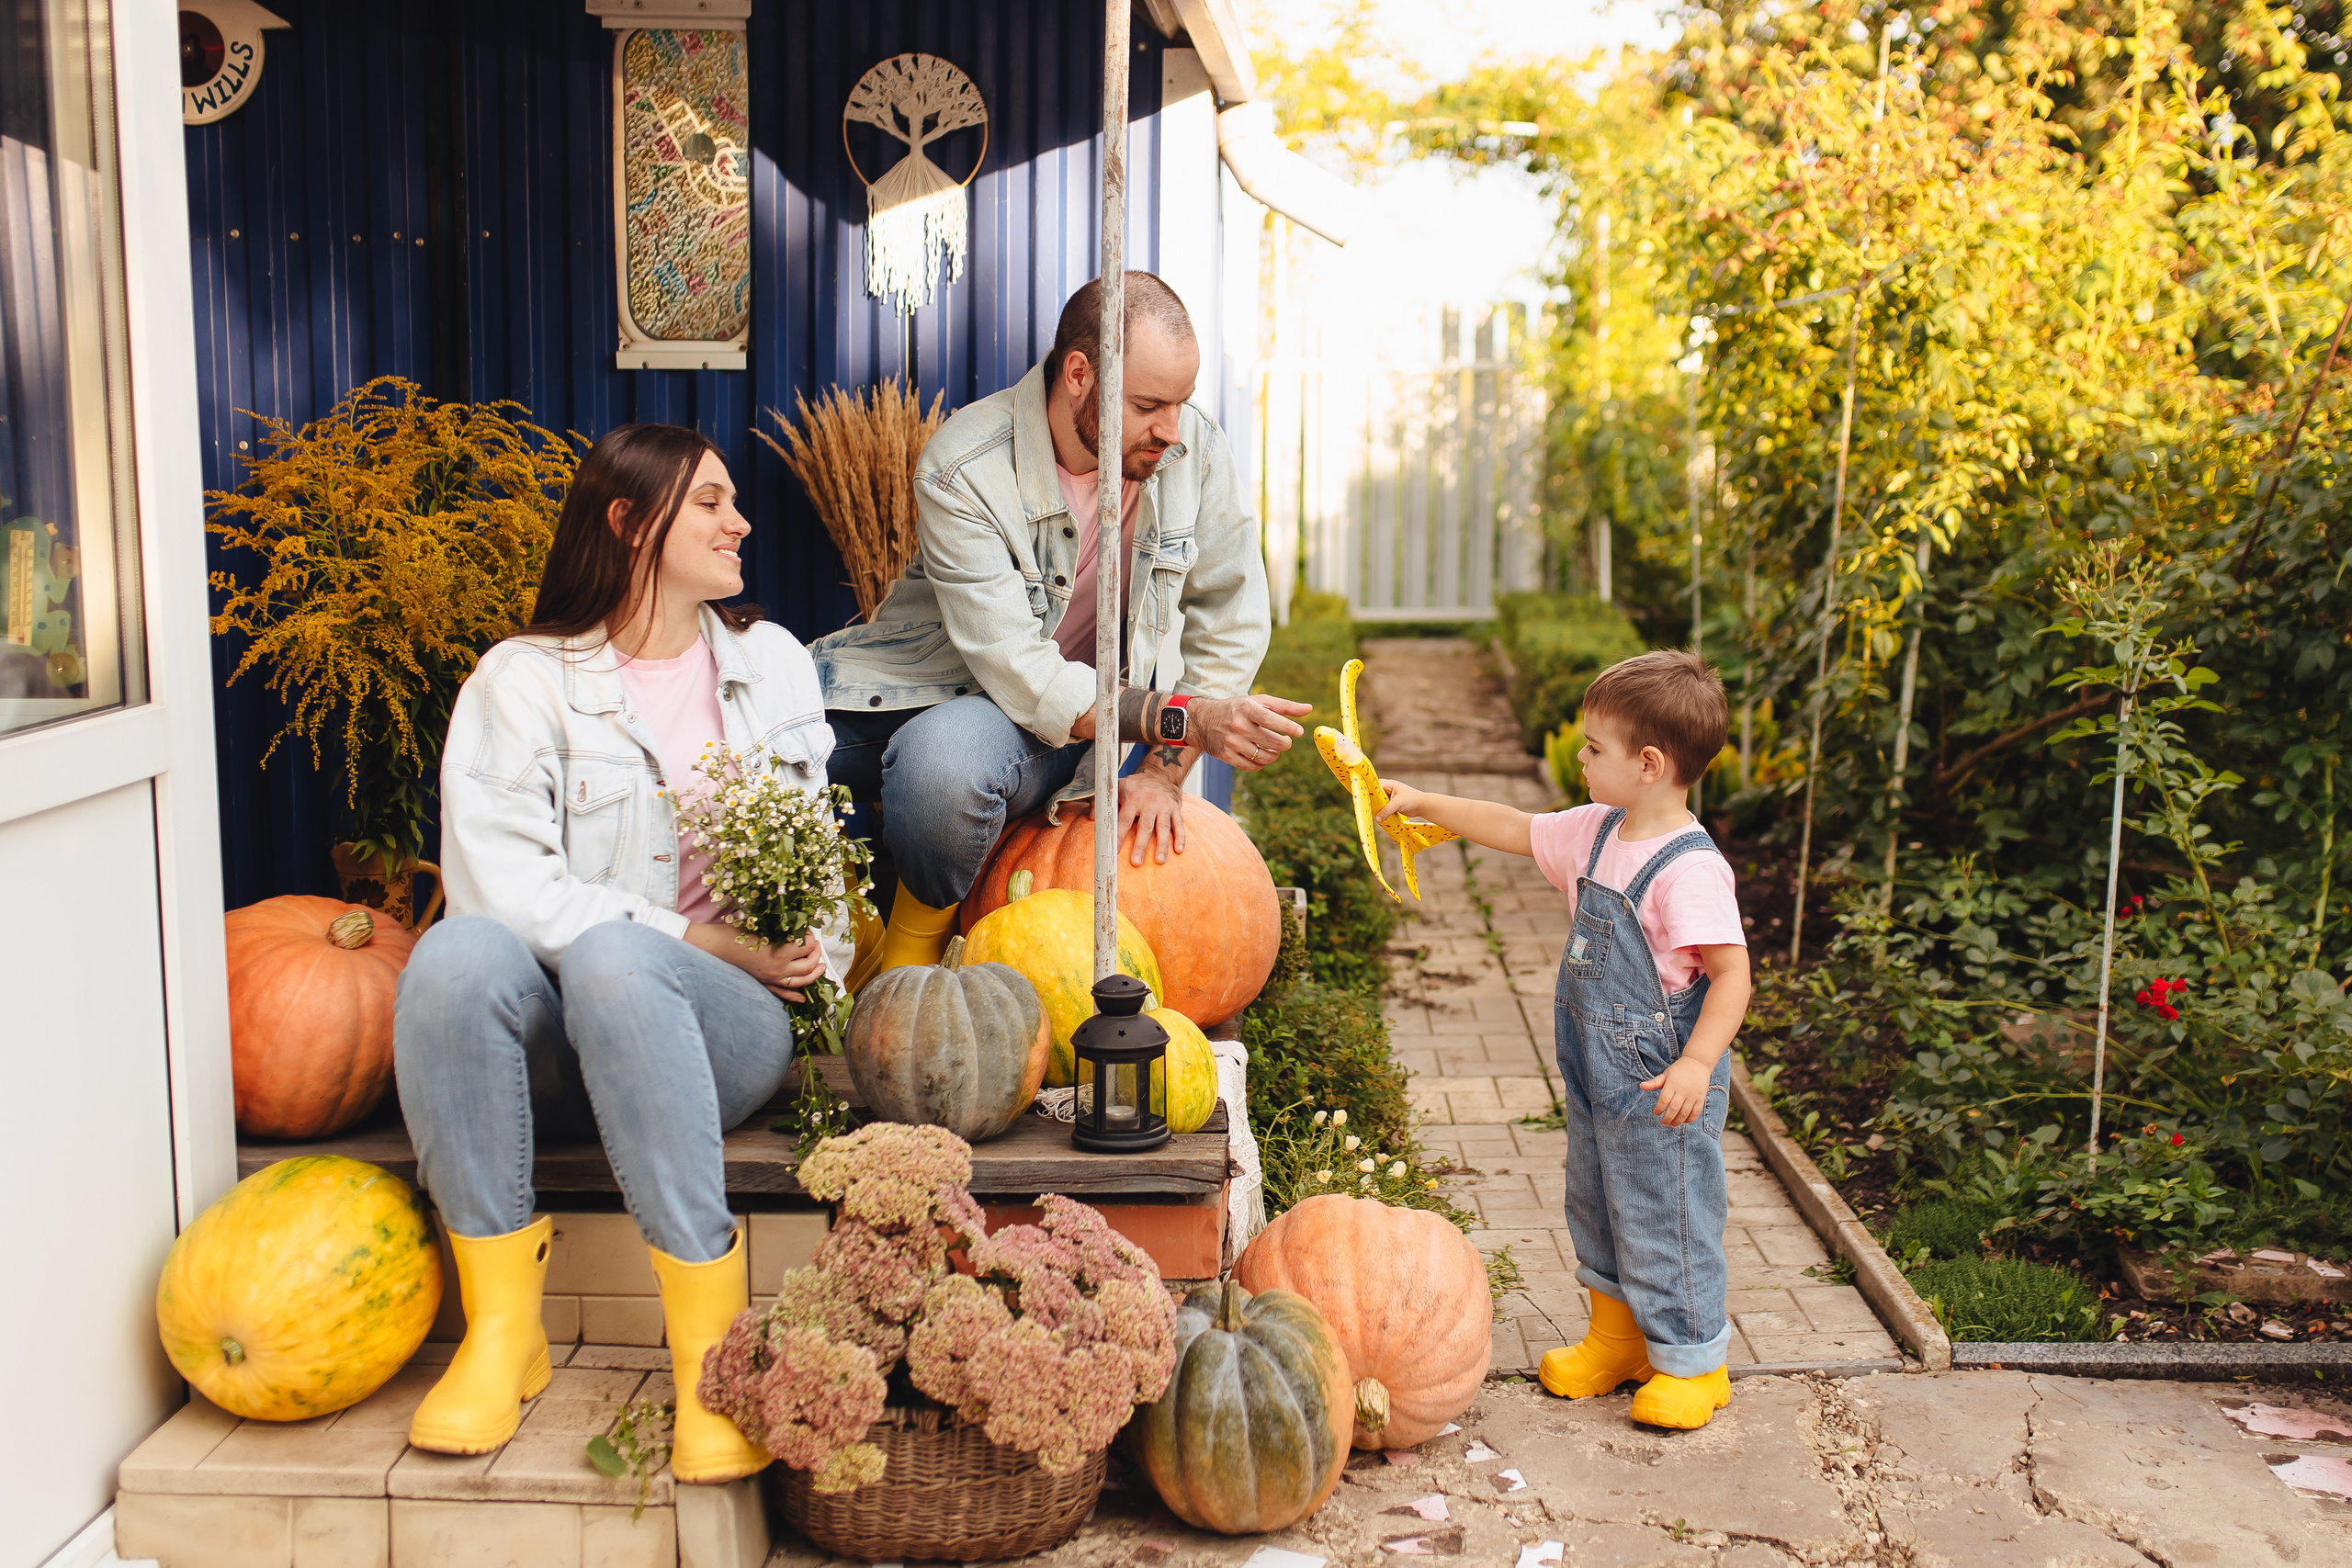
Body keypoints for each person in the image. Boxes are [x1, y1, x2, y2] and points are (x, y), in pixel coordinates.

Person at [392, 424, 850, 1479]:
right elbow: (501, 893)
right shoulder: (523, 682)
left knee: (611, 957)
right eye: (710, 503)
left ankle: (711, 1361)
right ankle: (504, 1332)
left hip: (720, 1035)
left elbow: (817, 867)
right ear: (630, 522)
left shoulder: (771, 665)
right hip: (563, 1041)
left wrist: (797, 946)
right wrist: (706, 936)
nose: (740, 523)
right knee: (454, 956)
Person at [815, 272, 1311, 976]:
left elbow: (1231, 611)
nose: (1171, 431)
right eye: (1147, 405)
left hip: (1043, 725)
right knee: (745, 748)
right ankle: (811, 945)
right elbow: (1017, 661)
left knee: (943, 766)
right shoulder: (965, 467)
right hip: (916, 682)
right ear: (1078, 373)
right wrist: (1184, 717)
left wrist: (1166, 773)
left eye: (1180, 404)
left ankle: (906, 972)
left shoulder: (1189, 449)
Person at [1375, 650, 1752, 1430]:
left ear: (1648, 764)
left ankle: (1692, 1360)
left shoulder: (1690, 869)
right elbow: (1513, 826)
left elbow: (1733, 975)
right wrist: (1426, 801)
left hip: (1661, 1086)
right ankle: (1618, 1340)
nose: (1579, 757)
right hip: (1594, 1072)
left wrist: (1698, 1061)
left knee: (1667, 1210)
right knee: (1600, 1200)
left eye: (1592, 748)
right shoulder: (1596, 832)